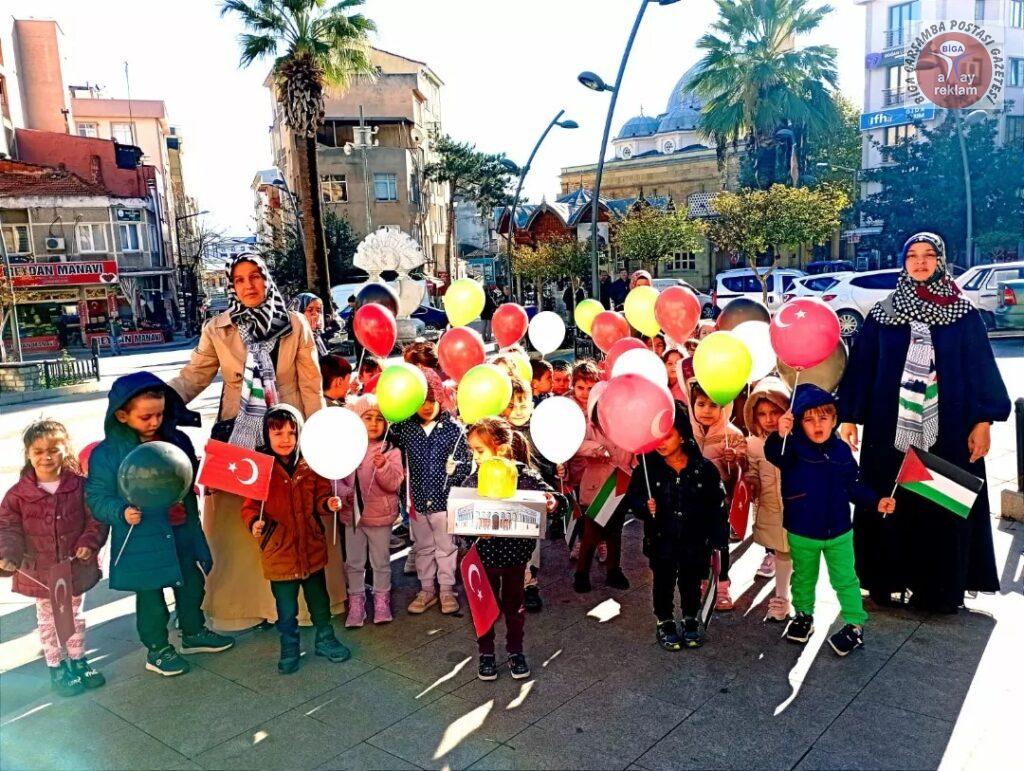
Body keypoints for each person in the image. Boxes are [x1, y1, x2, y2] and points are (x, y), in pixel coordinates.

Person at [837, 232, 1010, 613]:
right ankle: (887, 581)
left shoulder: (962, 314)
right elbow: (863, 366)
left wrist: (983, 421)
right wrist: (848, 415)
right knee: (890, 501)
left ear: (940, 261)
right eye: (912, 256)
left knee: (940, 504)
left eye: (928, 255)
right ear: (903, 263)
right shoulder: (884, 313)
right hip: (888, 432)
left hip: (949, 432)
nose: (920, 262)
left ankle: (939, 590)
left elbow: (980, 369)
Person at [167, 253, 332, 632]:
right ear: (232, 286)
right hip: (239, 435)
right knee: (238, 525)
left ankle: (298, 610)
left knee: (293, 515)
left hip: (287, 434)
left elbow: (311, 384)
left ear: (266, 278)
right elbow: (194, 376)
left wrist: (318, 437)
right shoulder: (218, 328)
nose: (248, 285)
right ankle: (242, 607)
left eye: (255, 276)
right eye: (239, 279)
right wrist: (157, 399)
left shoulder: (294, 325)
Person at [86, 373, 235, 676]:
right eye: (146, 417)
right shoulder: (108, 453)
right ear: (122, 415)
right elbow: (97, 497)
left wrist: (206, 480)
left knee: (192, 584)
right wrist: (121, 511)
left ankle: (193, 632)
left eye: (160, 414)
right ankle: (158, 649)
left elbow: (190, 473)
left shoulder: (176, 440)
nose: (154, 421)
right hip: (142, 538)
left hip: (181, 529)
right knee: (151, 598)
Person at [767, 385, 894, 656]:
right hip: (802, 530)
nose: (817, 425)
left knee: (845, 579)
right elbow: (774, 454)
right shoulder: (791, 448)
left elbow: (853, 484)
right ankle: (803, 615)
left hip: (839, 531)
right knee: (804, 578)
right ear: (798, 422)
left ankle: (855, 623)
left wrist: (875, 501)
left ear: (834, 419)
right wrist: (780, 434)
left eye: (823, 418)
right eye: (809, 419)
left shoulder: (841, 450)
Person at [0, 420, 108, 696]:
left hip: (74, 567)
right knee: (49, 619)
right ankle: (56, 666)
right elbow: (7, 528)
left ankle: (78, 660)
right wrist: (8, 554)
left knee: (74, 615)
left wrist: (88, 543)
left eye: (53, 450)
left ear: (65, 450)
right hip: (40, 571)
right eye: (38, 451)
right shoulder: (17, 494)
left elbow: (95, 519)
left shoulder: (80, 486)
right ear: (28, 454)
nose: (46, 457)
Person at [243, 404, 351, 674]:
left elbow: (321, 497)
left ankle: (325, 639)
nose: (286, 439)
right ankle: (289, 648)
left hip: (311, 549)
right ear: (266, 435)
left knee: (319, 602)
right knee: (286, 609)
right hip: (279, 552)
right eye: (278, 433)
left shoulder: (310, 463)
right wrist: (254, 522)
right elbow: (249, 506)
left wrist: (328, 504)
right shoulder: (260, 468)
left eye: (292, 433)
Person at [620, 406, 727, 649]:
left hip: (694, 540)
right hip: (661, 540)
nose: (661, 442)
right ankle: (664, 620)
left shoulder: (704, 469)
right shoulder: (647, 469)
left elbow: (717, 504)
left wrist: (717, 538)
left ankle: (690, 617)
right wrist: (645, 506)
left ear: (682, 436)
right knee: (663, 581)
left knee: (691, 581)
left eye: (667, 435)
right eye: (656, 436)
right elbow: (633, 498)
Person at [463, 417, 558, 681]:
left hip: (516, 558)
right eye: (473, 450)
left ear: (502, 449)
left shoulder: (525, 476)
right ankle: (486, 653)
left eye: (480, 450)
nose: (475, 457)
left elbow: (553, 498)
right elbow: (460, 516)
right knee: (484, 607)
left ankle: (515, 651)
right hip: (485, 559)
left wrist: (552, 502)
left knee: (514, 608)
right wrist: (473, 531)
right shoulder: (473, 480)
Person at [390, 369, 471, 614]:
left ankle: (446, 589)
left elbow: (466, 463)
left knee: (446, 547)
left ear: (440, 398)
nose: (426, 407)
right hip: (416, 502)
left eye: (431, 400)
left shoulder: (453, 429)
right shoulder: (404, 429)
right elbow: (392, 453)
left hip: (444, 502)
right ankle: (427, 589)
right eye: (421, 401)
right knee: (423, 547)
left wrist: (456, 470)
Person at [567, 361, 633, 592]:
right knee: (591, 532)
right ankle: (581, 573)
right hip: (594, 487)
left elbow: (634, 450)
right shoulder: (588, 426)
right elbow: (575, 444)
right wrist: (595, 449)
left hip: (620, 484)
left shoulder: (625, 426)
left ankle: (614, 570)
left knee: (615, 531)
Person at [339, 395, 404, 627]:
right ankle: (356, 603)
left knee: (381, 562)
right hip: (353, 517)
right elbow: (336, 478)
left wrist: (384, 466)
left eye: (379, 419)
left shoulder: (391, 451)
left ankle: (381, 601)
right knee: (354, 562)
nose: (374, 423)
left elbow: (394, 483)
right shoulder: (347, 449)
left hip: (380, 518)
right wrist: (344, 494)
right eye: (368, 417)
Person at [683, 380, 746, 610]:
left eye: (713, 405)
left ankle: (722, 587)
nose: (707, 410)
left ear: (724, 407)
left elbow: (743, 470)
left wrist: (735, 459)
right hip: (690, 502)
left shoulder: (733, 434)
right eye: (701, 404)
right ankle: (702, 581)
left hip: (719, 502)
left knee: (720, 544)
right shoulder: (686, 433)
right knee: (696, 545)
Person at [742, 377, 793, 621]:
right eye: (762, 414)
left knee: (802, 557)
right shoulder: (753, 444)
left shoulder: (796, 440)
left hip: (797, 508)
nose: (769, 419)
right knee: (781, 553)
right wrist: (749, 483)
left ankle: (803, 601)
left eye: (775, 411)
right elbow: (752, 471)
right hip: (771, 509)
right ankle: (782, 598)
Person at [289, 292, 330, 357]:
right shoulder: (293, 339)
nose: (315, 314)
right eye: (310, 310)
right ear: (299, 311)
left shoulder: (316, 336)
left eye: (318, 310)